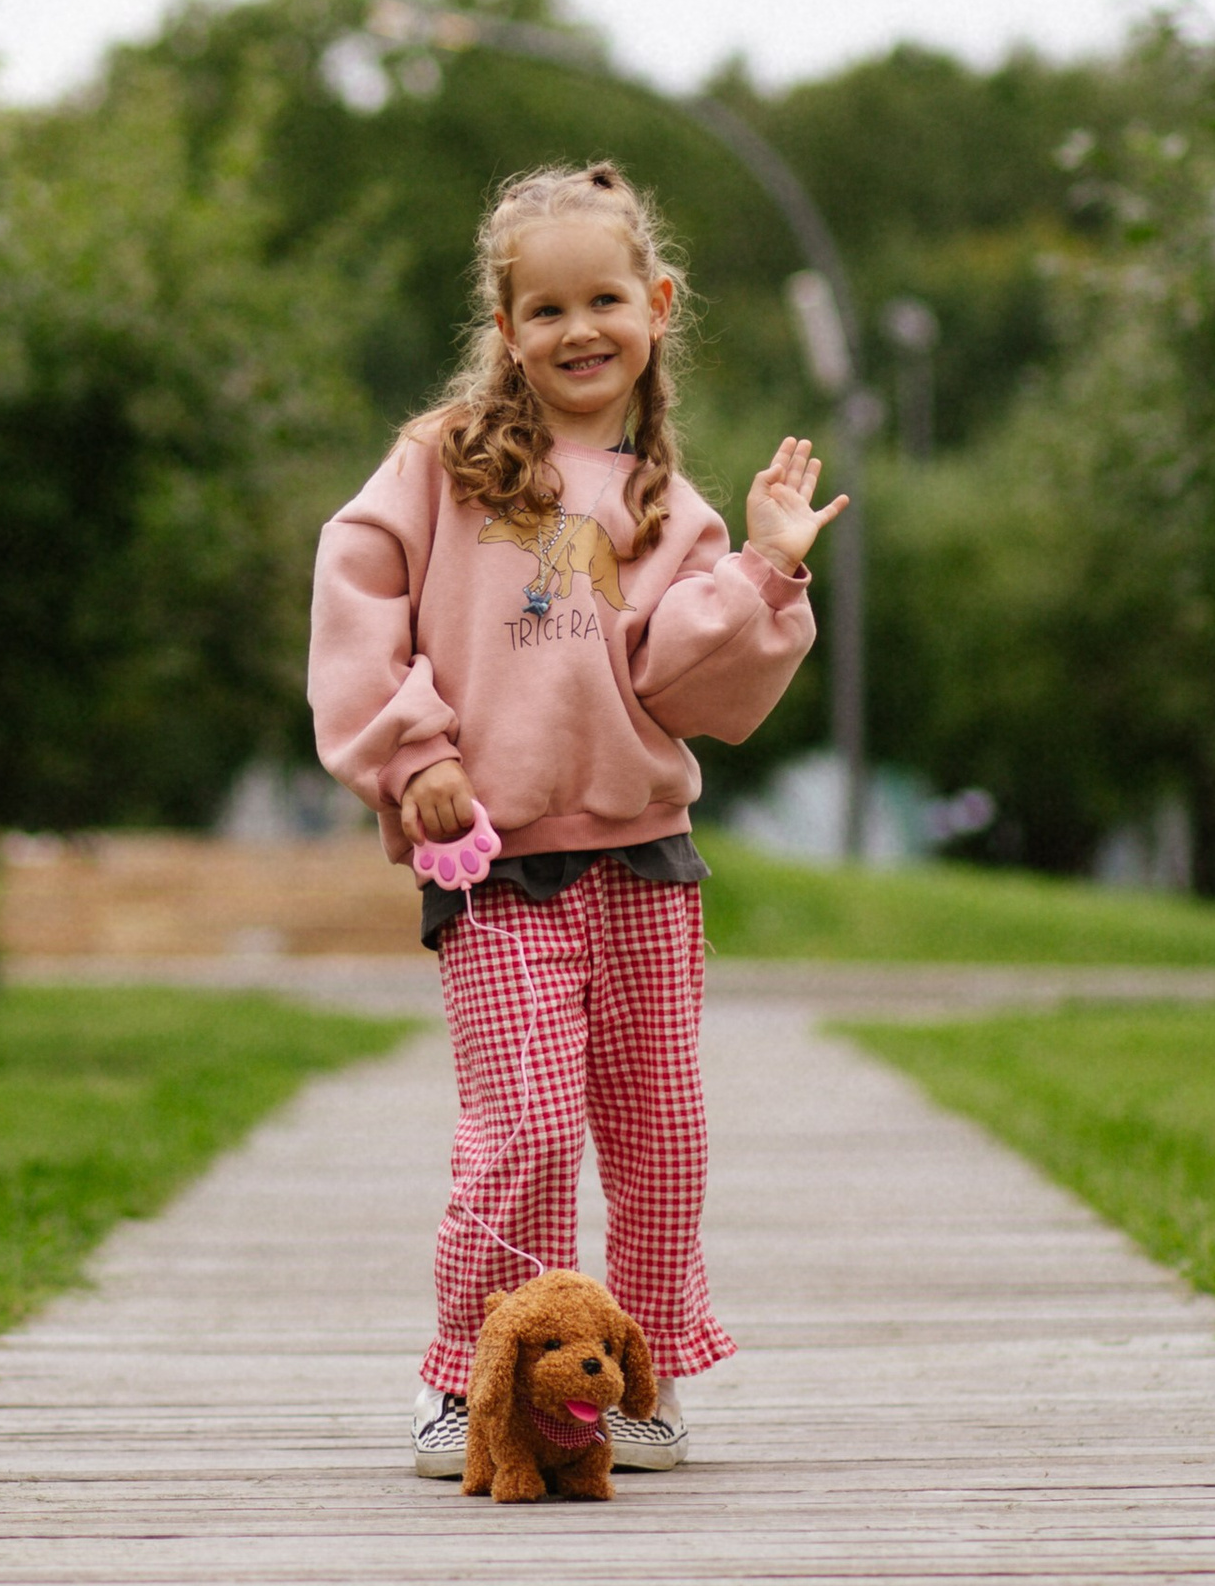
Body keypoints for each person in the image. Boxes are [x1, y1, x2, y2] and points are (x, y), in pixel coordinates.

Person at [309, 160, 845, 1479]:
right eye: (544, 310)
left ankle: (632, 1381)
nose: (578, 329)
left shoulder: (675, 509)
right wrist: (410, 751)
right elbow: (357, 604)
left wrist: (766, 561)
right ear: (505, 329)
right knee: (530, 1129)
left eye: (605, 298)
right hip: (494, 869)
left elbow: (691, 688)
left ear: (657, 305)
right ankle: (473, 1380)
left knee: (660, 1134)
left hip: (644, 865)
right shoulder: (437, 468)